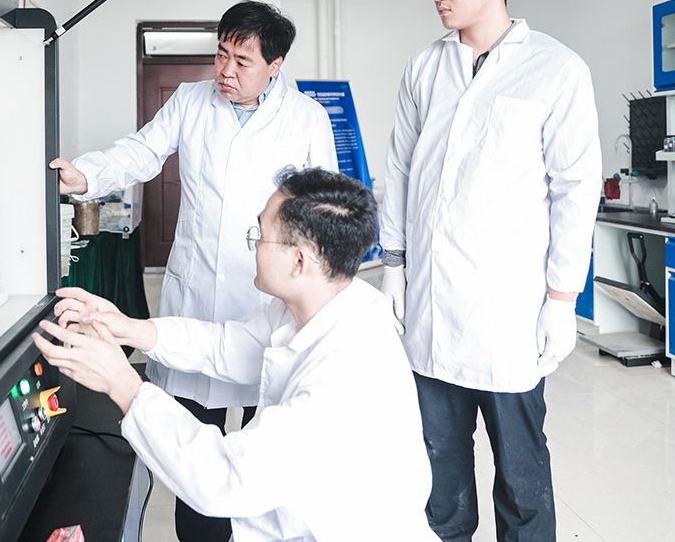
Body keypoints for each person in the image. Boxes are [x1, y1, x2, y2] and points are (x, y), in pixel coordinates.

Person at [49, 1, 337, 541]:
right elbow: (142, 152)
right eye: (221, 54)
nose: (225, 70)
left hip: (267, 301)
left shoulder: (306, 119)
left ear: (275, 65)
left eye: (242, 61)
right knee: (194, 451)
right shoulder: (190, 99)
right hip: (198, 291)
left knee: (263, 450)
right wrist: (86, 175)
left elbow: (322, 210)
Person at [33, 168, 438, 541]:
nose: (254, 245)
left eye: (260, 235)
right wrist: (127, 326)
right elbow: (228, 345)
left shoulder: (344, 374)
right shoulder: (328, 301)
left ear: (299, 260)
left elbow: (224, 479)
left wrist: (123, 384)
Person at [379, 0, 602, 541]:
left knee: (522, 478)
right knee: (438, 476)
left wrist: (562, 298)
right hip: (429, 307)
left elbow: (575, 189)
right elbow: (400, 168)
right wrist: (393, 264)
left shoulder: (556, 69)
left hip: (507, 312)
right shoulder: (424, 69)